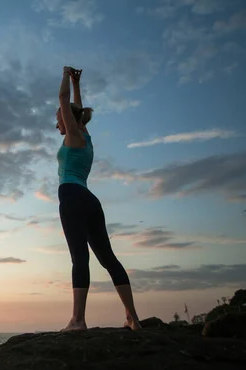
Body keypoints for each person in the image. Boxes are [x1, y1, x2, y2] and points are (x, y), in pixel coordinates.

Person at [56, 66, 142, 332]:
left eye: (59, 118)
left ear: (69, 119)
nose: (57, 122)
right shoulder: (86, 136)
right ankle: (133, 318)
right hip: (91, 201)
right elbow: (76, 108)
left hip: (72, 197)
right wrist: (77, 84)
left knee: (79, 258)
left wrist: (64, 76)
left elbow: (64, 101)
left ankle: (78, 320)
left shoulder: (73, 135)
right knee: (109, 259)